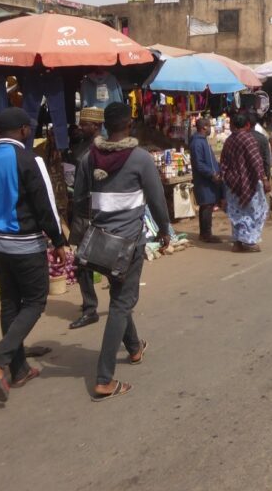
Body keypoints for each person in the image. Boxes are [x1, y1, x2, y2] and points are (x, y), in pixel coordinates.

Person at [72, 103, 172, 401]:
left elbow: (78, 200)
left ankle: (134, 348)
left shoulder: (89, 158)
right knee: (121, 304)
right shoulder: (140, 158)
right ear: (129, 124)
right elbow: (157, 200)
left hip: (100, 241)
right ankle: (104, 379)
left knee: (119, 295)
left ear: (104, 125)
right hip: (128, 243)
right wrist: (165, 230)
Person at [0, 107, 68, 403]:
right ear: (24, 131)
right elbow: (45, 203)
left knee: (10, 304)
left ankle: (18, 371)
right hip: (24, 242)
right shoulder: (29, 159)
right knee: (35, 301)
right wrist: (59, 240)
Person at [67, 106, 105, 330]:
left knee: (94, 260)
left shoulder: (100, 149)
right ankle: (90, 305)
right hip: (86, 210)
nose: (81, 128)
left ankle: (91, 308)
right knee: (84, 262)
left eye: (85, 125)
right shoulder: (85, 146)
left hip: (91, 211)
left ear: (97, 126)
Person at [220, 113, 268, 252]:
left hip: (232, 184)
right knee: (256, 211)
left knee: (237, 213)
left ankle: (237, 242)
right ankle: (250, 241)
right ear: (247, 125)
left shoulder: (229, 140)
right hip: (249, 182)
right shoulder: (248, 139)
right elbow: (256, 161)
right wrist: (264, 179)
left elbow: (223, 163)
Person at [189, 117, 223, 243]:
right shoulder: (197, 142)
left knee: (207, 205)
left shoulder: (203, 141)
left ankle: (204, 233)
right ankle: (206, 234)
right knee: (206, 205)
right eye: (209, 126)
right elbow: (199, 164)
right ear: (204, 127)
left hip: (208, 180)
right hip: (204, 180)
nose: (210, 129)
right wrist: (211, 174)